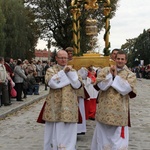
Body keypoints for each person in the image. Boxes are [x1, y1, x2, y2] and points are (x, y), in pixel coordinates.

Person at [91, 51, 137, 150]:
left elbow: (126, 89)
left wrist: (116, 76)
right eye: (118, 58)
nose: (120, 61)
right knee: (102, 137)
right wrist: (110, 76)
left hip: (119, 112)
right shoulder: (105, 70)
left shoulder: (130, 74)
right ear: (114, 59)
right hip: (104, 110)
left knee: (118, 140)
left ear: (126, 61)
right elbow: (100, 86)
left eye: (122, 59)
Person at [40, 50, 82, 150]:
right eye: (61, 58)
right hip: (55, 106)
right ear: (56, 58)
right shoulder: (51, 70)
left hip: (70, 106)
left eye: (65, 58)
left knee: (69, 131)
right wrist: (64, 73)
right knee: (54, 132)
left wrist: (70, 74)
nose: (63, 60)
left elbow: (78, 85)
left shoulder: (74, 71)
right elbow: (52, 83)